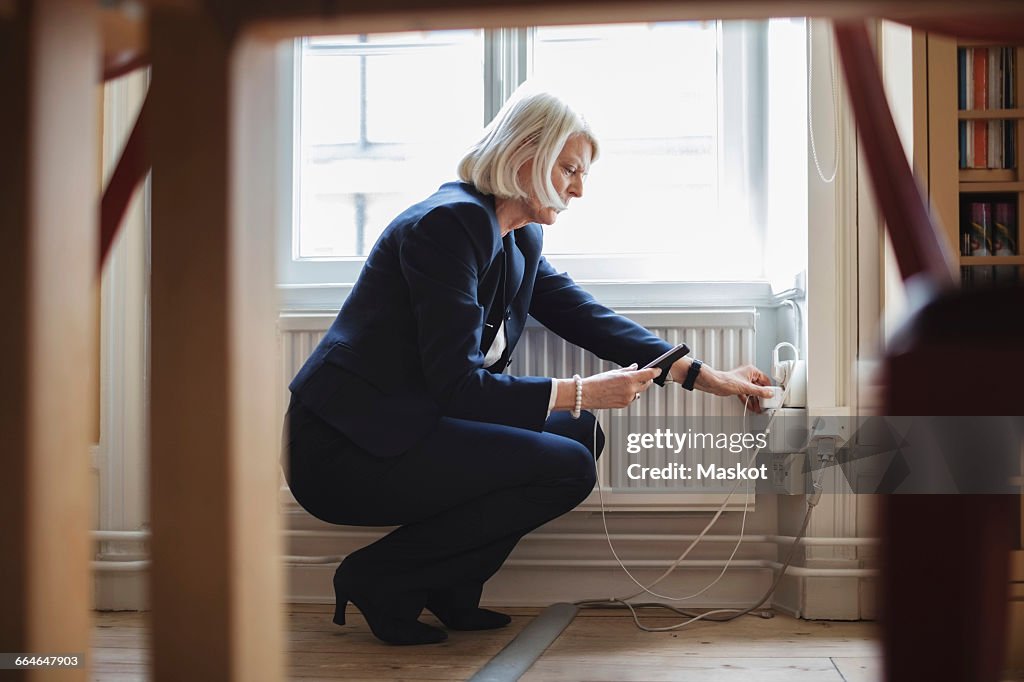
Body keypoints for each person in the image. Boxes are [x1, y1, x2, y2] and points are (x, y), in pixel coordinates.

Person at [282, 90, 773, 645]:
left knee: (580, 436)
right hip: (344, 448)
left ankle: (448, 585)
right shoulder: (449, 224)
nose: (579, 188)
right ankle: (380, 578)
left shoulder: (518, 235)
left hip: (407, 428)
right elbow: (457, 385)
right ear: (524, 154)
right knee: (567, 464)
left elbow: (585, 316)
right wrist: (582, 390)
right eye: (569, 169)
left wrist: (709, 377)